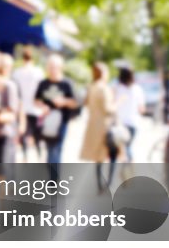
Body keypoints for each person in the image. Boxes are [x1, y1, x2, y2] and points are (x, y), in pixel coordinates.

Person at [34, 54, 78, 168]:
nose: (52, 70)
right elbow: (36, 100)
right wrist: (42, 106)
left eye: (54, 67)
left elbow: (75, 103)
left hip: (61, 121)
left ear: (60, 67)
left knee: (55, 149)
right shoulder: (43, 83)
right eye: (50, 66)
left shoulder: (67, 84)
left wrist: (64, 101)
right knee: (49, 149)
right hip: (46, 121)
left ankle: (53, 180)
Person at [80, 62, 118, 191]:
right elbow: (108, 109)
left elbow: (85, 103)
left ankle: (99, 184)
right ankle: (109, 183)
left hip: (93, 126)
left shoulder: (91, 87)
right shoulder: (104, 88)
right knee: (112, 154)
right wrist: (117, 104)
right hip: (105, 126)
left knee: (98, 157)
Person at [11, 47, 45, 162]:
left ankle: (25, 156)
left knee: (24, 134)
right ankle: (39, 155)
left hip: (23, 107)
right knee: (37, 134)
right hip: (35, 108)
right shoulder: (38, 72)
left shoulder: (17, 73)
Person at [114, 66, 146, 162]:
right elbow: (142, 109)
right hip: (133, 123)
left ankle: (126, 168)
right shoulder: (137, 89)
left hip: (119, 123)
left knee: (122, 148)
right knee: (127, 147)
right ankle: (129, 168)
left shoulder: (116, 88)